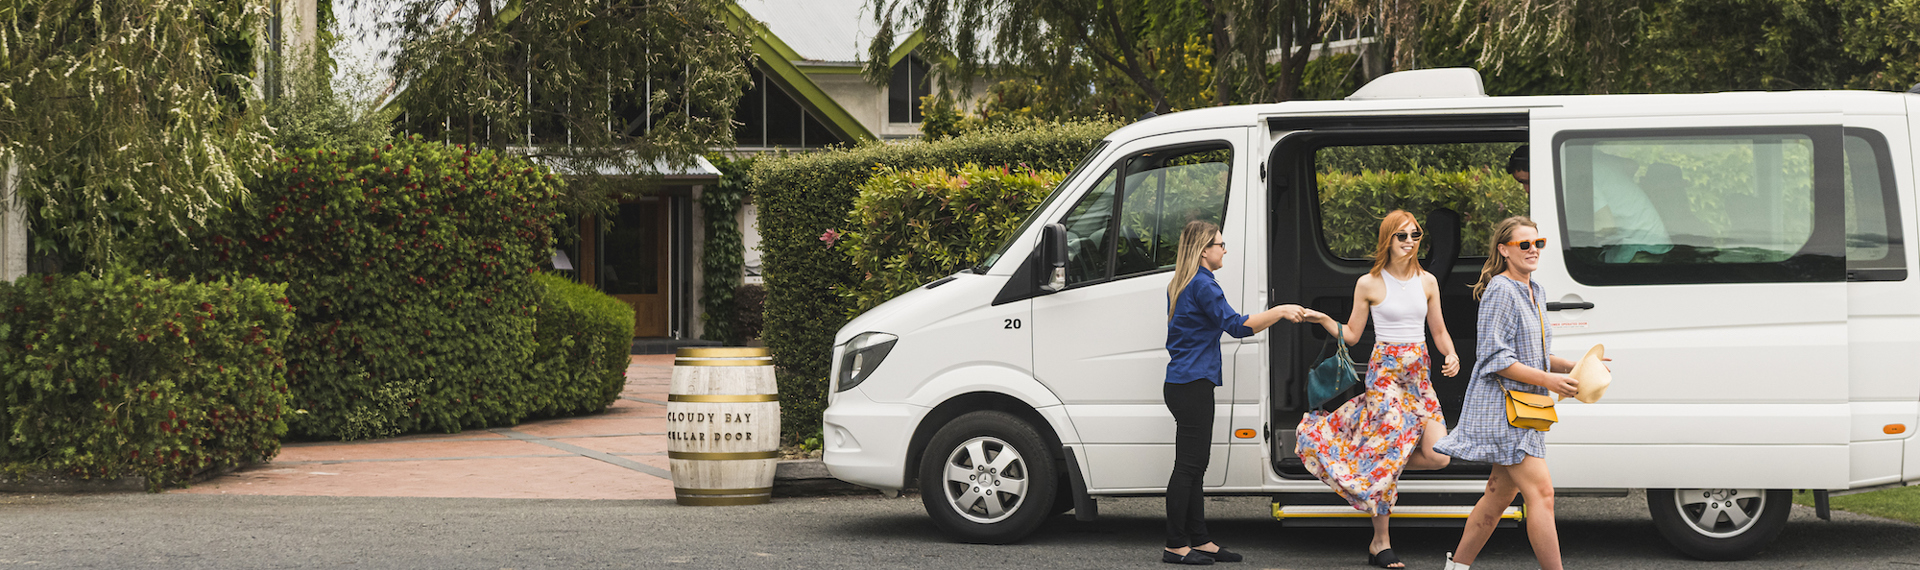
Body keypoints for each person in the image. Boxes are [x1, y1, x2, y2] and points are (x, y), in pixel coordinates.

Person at [1297, 210, 1462, 569]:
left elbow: (1438, 331)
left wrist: (1451, 354)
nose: (1409, 242)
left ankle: (1369, 465)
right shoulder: (1369, 283)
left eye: (1415, 235)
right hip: (1385, 375)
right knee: (1389, 454)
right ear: (1387, 239)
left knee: (1439, 455)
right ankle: (1380, 542)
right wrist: (1324, 319)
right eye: (1402, 236)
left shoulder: (1428, 281)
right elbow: (1353, 335)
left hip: (1418, 376)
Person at [1433, 216, 1580, 570]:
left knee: (1497, 497)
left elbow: (1538, 354)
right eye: (1523, 245)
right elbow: (1495, 359)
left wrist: (1574, 367)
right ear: (1504, 250)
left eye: (1537, 244)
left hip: (1525, 409)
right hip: (1506, 411)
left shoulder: (1536, 290)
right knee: (1542, 494)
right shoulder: (1501, 290)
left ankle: (1457, 567)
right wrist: (1549, 381)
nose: (1533, 251)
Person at [1163, 220, 1313, 565]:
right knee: (1188, 468)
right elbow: (1237, 326)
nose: (1224, 249)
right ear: (1204, 251)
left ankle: (1199, 539)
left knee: (1194, 467)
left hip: (1184, 383)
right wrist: (1278, 311)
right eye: (1220, 244)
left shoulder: (1183, 282)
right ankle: (1175, 544)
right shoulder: (1203, 285)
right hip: (1192, 385)